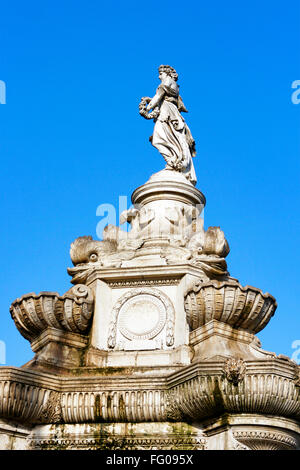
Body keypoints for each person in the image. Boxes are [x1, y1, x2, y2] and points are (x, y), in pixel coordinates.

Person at [145, 65, 197, 185]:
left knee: (158, 138)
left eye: (161, 73)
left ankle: (174, 161)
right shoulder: (171, 83)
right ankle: (173, 161)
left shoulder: (166, 82)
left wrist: (146, 109)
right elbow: (159, 98)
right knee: (165, 138)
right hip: (168, 112)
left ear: (167, 74)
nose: (159, 76)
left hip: (168, 114)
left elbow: (158, 98)